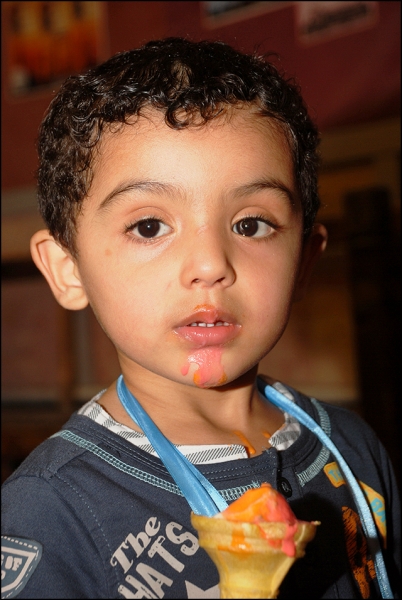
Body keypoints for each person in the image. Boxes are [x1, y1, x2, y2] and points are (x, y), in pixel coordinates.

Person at [1, 37, 400, 600]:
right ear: (69, 270)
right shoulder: (48, 513)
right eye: (149, 227)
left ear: (304, 262)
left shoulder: (353, 448)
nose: (211, 265)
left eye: (251, 224)